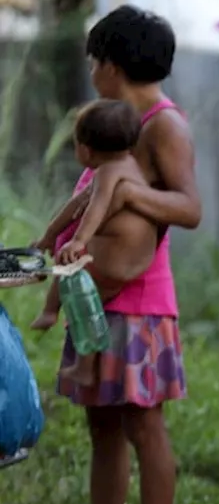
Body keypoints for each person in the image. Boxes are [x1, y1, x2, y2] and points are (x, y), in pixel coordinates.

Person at [30, 5, 201, 504]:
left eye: (94, 60)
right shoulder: (116, 123)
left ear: (109, 64)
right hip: (94, 296)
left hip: (140, 302)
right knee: (101, 428)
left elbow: (188, 207)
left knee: (144, 427)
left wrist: (127, 190)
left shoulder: (162, 125)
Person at [33, 100, 157, 387]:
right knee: (90, 298)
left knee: (75, 283)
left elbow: (94, 208)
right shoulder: (130, 165)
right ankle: (56, 318)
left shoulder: (106, 173)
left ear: (85, 149)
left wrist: (77, 241)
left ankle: (56, 320)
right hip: (136, 263)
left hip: (115, 262)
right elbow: (75, 205)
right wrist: (49, 236)